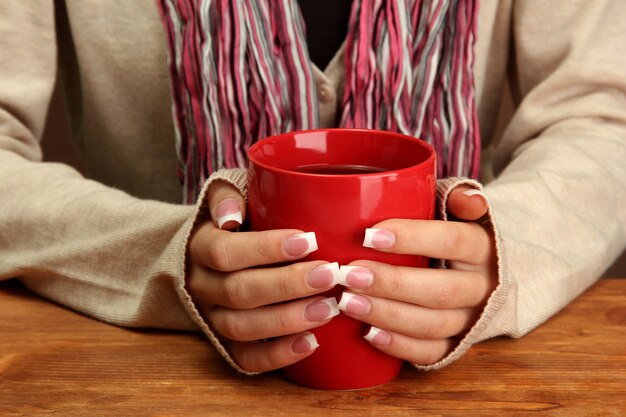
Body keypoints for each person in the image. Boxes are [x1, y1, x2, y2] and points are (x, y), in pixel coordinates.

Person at [0, 0, 624, 377]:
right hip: (144, 375)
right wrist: (163, 258)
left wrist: (500, 251)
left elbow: (602, 118)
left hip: (472, 383)